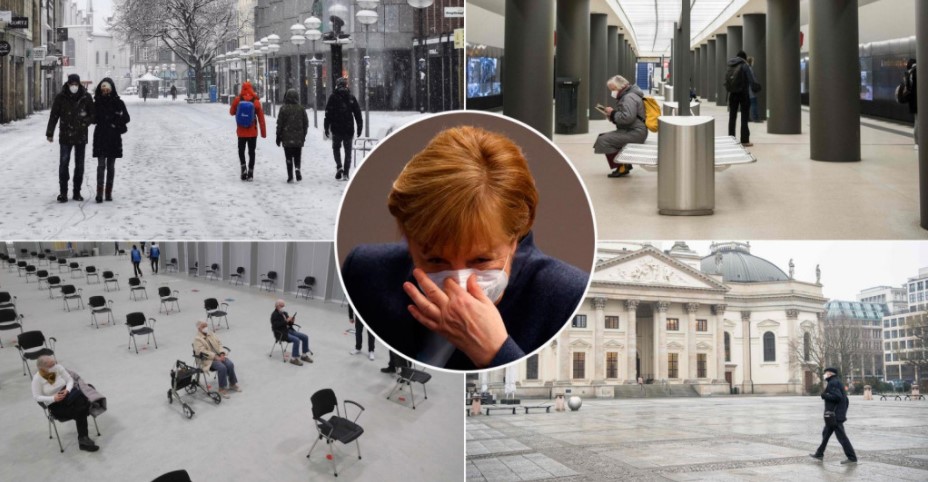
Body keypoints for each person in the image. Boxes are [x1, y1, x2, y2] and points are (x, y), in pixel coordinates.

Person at [342, 126, 589, 370]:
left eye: (481, 260)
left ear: (515, 238)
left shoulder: (568, 297)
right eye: (436, 260)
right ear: (408, 238)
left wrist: (498, 352)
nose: (459, 287)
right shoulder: (363, 272)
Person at [31, 355, 99, 452]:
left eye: (54, 363)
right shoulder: (37, 379)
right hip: (55, 403)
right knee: (82, 407)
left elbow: (70, 380)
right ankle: (83, 438)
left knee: (78, 398)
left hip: (68, 394)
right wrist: (53, 398)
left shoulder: (58, 367)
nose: (54, 366)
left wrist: (67, 390)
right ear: (43, 368)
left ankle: (83, 439)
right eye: (51, 365)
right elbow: (36, 396)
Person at [46, 73, 95, 203]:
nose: (74, 86)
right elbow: (54, 115)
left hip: (80, 135)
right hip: (65, 135)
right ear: (68, 84)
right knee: (64, 164)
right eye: (72, 84)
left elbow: (93, 115)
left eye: (76, 84)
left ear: (79, 84)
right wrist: (50, 132)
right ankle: (63, 192)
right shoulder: (61, 98)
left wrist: (85, 122)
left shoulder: (86, 97)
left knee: (79, 165)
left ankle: (77, 192)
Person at [593, 75, 648, 178]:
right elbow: (627, 117)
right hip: (634, 130)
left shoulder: (628, 97)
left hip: (635, 133)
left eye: (613, 89)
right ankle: (623, 165)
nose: (612, 92)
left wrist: (613, 113)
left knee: (604, 140)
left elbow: (627, 118)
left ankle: (622, 167)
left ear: (621, 87)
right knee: (603, 137)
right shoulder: (628, 95)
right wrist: (612, 116)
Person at [91, 77, 130, 203]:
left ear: (111, 89)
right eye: (103, 89)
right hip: (101, 137)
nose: (105, 91)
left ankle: (108, 192)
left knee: (111, 166)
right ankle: (99, 193)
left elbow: (126, 118)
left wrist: (115, 122)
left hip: (113, 137)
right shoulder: (96, 102)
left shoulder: (118, 103)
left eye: (107, 89)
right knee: (101, 166)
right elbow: (93, 119)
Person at [810, 367, 858, 464]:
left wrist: (824, 396)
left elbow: (838, 397)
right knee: (826, 433)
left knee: (842, 437)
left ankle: (852, 457)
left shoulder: (833, 382)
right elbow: (844, 398)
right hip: (834, 415)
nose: (824, 374)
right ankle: (819, 453)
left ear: (830, 374)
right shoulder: (835, 381)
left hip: (835, 416)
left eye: (826, 373)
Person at [323, 77, 362, 181]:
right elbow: (357, 113)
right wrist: (359, 127)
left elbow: (328, 114)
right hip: (348, 128)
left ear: (337, 85)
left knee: (336, 148)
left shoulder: (333, 97)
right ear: (346, 85)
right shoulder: (351, 97)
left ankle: (339, 166)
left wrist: (326, 127)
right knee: (348, 151)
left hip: (336, 128)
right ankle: (346, 173)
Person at [230, 81, 268, 181]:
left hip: (241, 131)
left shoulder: (238, 100)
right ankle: (250, 171)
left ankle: (243, 168)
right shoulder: (255, 101)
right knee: (252, 152)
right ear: (251, 89)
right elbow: (261, 118)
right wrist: (263, 133)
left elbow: (231, 112)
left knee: (241, 150)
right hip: (252, 132)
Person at [193, 321, 240, 397]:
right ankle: (221, 389)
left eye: (206, 325)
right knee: (222, 367)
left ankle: (232, 383)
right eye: (203, 326)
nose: (206, 328)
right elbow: (202, 351)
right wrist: (215, 357)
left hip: (219, 355)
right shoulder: (197, 339)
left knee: (230, 364)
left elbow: (219, 343)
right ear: (199, 328)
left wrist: (222, 353)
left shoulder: (211, 333)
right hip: (207, 359)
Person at [275, 88, 309, 183]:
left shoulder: (283, 109)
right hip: (298, 137)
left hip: (287, 138)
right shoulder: (301, 109)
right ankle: (297, 168)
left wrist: (278, 136)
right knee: (297, 155)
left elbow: (280, 124)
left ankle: (290, 176)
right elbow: (305, 123)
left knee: (288, 157)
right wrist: (303, 134)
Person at [271, 299, 313, 366]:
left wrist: (292, 321)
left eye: (284, 306)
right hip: (281, 333)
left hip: (289, 330)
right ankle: (293, 359)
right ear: (277, 306)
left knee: (305, 337)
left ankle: (304, 355)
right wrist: (286, 321)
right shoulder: (274, 315)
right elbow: (276, 326)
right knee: (296, 340)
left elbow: (289, 323)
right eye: (282, 306)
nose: (283, 307)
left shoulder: (284, 313)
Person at [725, 51, 754, 147]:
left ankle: (731, 139)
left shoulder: (730, 65)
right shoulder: (744, 65)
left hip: (732, 94)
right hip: (743, 94)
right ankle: (744, 140)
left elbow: (727, 80)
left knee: (732, 117)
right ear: (744, 58)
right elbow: (751, 79)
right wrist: (756, 87)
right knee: (744, 118)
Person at [905, 59, 918, 150]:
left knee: (917, 121)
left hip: (912, 101)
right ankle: (918, 142)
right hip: (919, 101)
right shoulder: (917, 71)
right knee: (919, 122)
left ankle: (917, 142)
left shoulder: (908, 73)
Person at [747, 57, 759, 122]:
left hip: (746, 90)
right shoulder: (750, 69)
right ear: (751, 62)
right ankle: (755, 118)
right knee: (754, 103)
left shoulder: (745, 69)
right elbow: (753, 79)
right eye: (753, 61)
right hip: (751, 90)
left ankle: (747, 118)